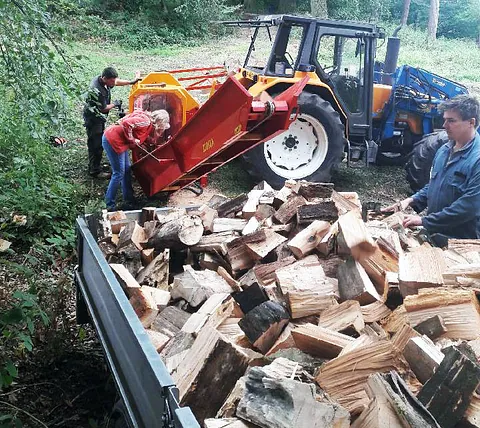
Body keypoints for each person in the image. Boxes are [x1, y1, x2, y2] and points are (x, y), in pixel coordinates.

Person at [383, 95, 480, 247]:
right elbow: (436, 183)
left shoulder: (477, 159)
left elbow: (469, 207)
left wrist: (424, 221)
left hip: (461, 243)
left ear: (471, 122)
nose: (444, 125)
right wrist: (411, 200)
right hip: (436, 235)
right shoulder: (444, 149)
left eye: (451, 121)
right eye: (445, 119)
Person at [102, 109, 170, 211]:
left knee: (127, 170)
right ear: (159, 122)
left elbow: (140, 134)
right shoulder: (146, 121)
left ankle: (129, 199)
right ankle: (109, 205)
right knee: (119, 173)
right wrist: (132, 140)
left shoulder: (147, 125)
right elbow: (126, 124)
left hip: (120, 141)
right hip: (112, 140)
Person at [83, 67, 141, 178]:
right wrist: (115, 104)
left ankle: (95, 165)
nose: (114, 83)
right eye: (112, 81)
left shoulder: (104, 80)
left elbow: (116, 81)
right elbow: (103, 108)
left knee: (97, 142)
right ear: (104, 78)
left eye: (114, 80)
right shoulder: (97, 89)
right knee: (96, 144)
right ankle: (95, 171)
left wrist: (131, 82)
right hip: (94, 119)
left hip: (99, 117)